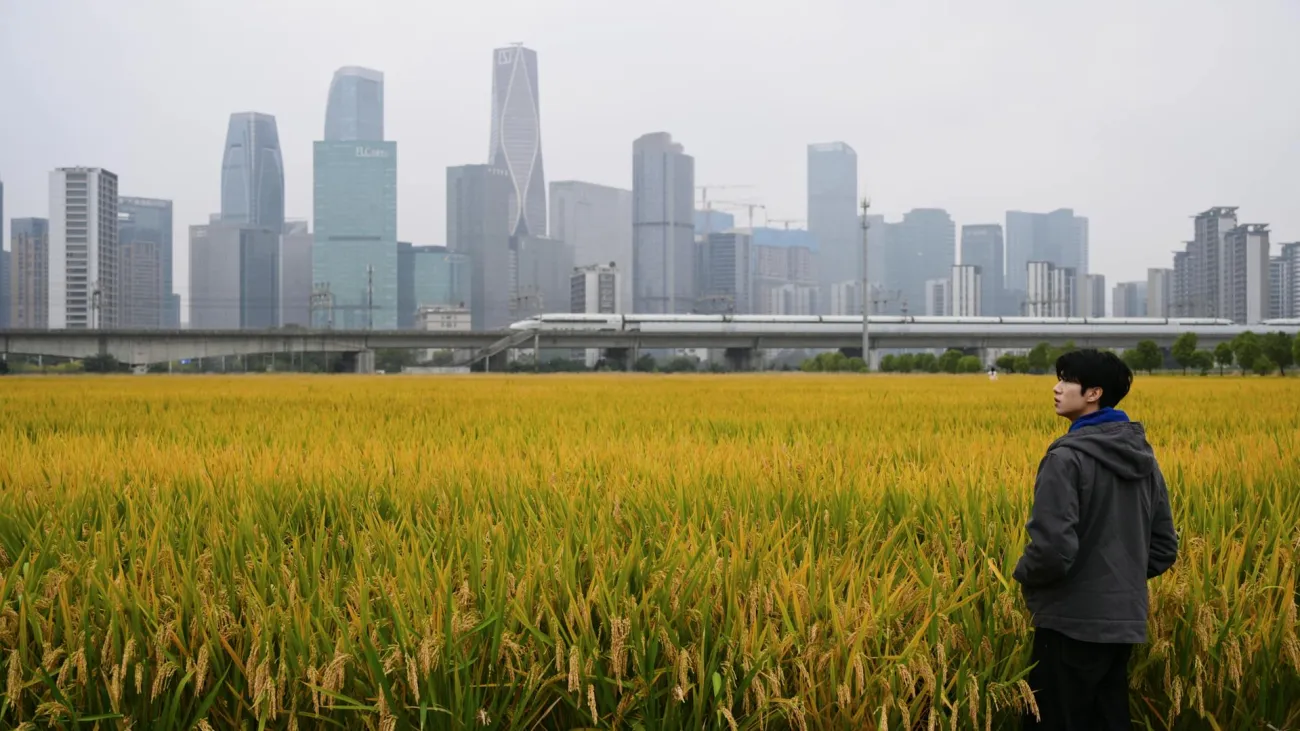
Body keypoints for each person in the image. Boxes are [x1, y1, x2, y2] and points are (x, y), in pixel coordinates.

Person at [1013, 349, 1178, 729]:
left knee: (1054, 720)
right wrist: (1119, 580)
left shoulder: (1066, 458)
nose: (1056, 388)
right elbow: (1165, 547)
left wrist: (1024, 577)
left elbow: (1052, 550)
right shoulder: (1144, 459)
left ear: (1093, 393)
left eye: (1066, 380)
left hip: (1069, 621)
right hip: (1123, 623)